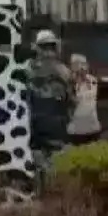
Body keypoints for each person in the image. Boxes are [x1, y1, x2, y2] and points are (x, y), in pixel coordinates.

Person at [28, 29, 74, 159]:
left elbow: (71, 101)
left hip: (56, 130)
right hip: (37, 130)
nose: (48, 51)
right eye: (45, 47)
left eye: (50, 47)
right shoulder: (29, 70)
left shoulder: (63, 71)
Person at [67, 53, 102, 145]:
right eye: (78, 64)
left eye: (83, 64)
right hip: (76, 131)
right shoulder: (69, 83)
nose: (82, 67)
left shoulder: (92, 80)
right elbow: (71, 100)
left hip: (93, 128)